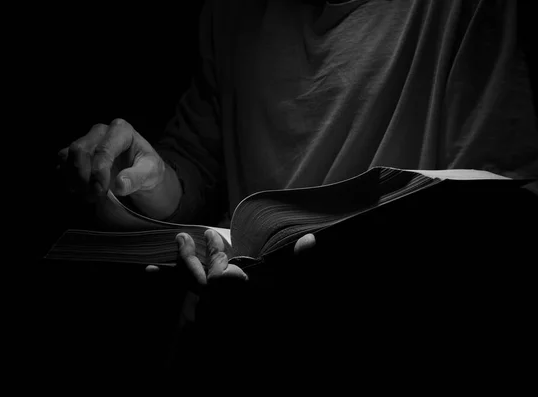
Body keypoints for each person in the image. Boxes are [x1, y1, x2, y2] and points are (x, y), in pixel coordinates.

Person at [58, 0, 537, 378]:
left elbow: (492, 210)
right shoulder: (231, 13)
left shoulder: (467, 10)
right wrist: (151, 179)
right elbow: (197, 168)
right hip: (228, 341)